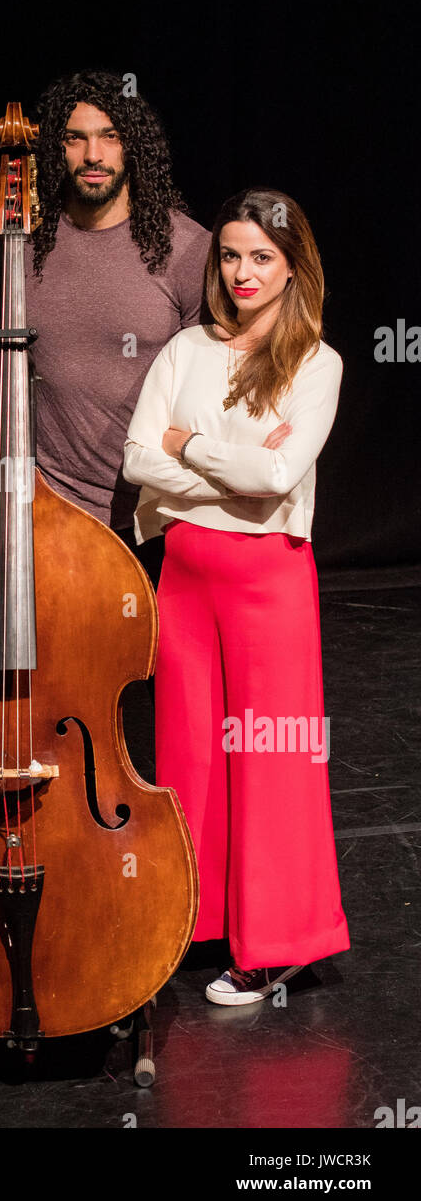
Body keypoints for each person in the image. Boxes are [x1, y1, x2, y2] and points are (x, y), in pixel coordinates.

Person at [123, 187, 350, 1005]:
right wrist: (226, 462)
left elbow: (279, 477)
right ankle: (203, 917)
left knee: (271, 759)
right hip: (184, 574)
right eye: (230, 254)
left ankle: (277, 944)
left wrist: (191, 445)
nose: (243, 271)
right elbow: (139, 459)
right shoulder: (186, 350)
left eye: (262, 256)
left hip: (268, 580)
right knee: (190, 755)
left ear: (293, 267)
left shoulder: (315, 364)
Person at [25, 69, 210, 577]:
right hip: (49, 511)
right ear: (54, 150)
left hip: (156, 511)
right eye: (75, 138)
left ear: (134, 147)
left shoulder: (190, 249)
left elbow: (212, 384)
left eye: (110, 136)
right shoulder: (20, 245)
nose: (92, 155)